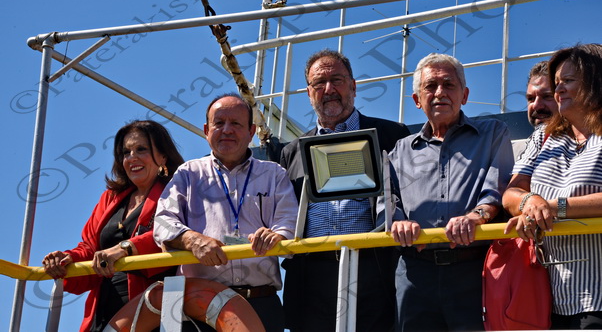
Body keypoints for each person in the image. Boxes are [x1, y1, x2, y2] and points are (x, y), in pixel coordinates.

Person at [380, 53, 514, 331]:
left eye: (449, 85)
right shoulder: (400, 150)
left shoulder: (493, 133)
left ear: (464, 95)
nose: (440, 92)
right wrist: (398, 221)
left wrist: (476, 217)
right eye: (430, 86)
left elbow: (498, 188)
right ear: (417, 100)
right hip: (414, 274)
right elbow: (387, 198)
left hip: (474, 272)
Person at [280, 49, 410, 331]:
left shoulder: (393, 136)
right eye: (319, 83)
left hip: (374, 272)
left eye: (337, 80)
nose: (329, 89)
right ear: (309, 93)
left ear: (353, 86)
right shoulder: (291, 152)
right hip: (312, 279)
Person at [153, 93, 298, 332]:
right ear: (206, 130)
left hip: (259, 302)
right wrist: (192, 240)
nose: (227, 130)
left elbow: (289, 220)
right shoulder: (188, 174)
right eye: (219, 123)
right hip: (195, 307)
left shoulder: (274, 174)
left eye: (236, 123)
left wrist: (278, 235)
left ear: (251, 132)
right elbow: (162, 223)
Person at [42, 120, 185, 332]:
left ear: (163, 156)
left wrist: (125, 248)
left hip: (151, 313)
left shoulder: (177, 193)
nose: (132, 157)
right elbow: (89, 249)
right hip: (102, 311)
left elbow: (174, 236)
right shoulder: (110, 198)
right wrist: (66, 259)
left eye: (141, 149)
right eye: (126, 152)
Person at [503, 43, 602, 330]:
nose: (558, 89)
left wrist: (553, 208)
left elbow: (552, 207)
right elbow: (511, 193)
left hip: (597, 297)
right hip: (550, 298)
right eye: (556, 82)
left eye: (567, 81)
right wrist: (530, 203)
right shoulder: (543, 137)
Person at [512, 60, 558, 158]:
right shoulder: (513, 153)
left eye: (547, 96)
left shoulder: (586, 147)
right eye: (531, 99)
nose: (536, 106)